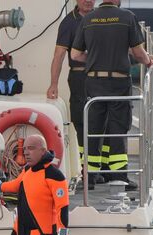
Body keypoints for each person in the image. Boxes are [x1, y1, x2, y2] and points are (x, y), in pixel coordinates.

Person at [70, 0, 153, 190]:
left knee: (93, 130)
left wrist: (94, 59)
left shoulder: (88, 19)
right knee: (117, 128)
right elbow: (138, 53)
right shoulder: (127, 17)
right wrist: (149, 60)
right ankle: (118, 177)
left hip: (93, 82)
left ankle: (90, 178)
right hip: (118, 82)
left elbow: (75, 55)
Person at [47, 0, 108, 185]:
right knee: (82, 122)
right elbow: (59, 55)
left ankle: (101, 169)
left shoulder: (103, 18)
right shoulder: (68, 22)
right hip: (80, 78)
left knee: (103, 120)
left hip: (103, 78)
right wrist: (53, 84)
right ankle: (86, 171)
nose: (88, 1)